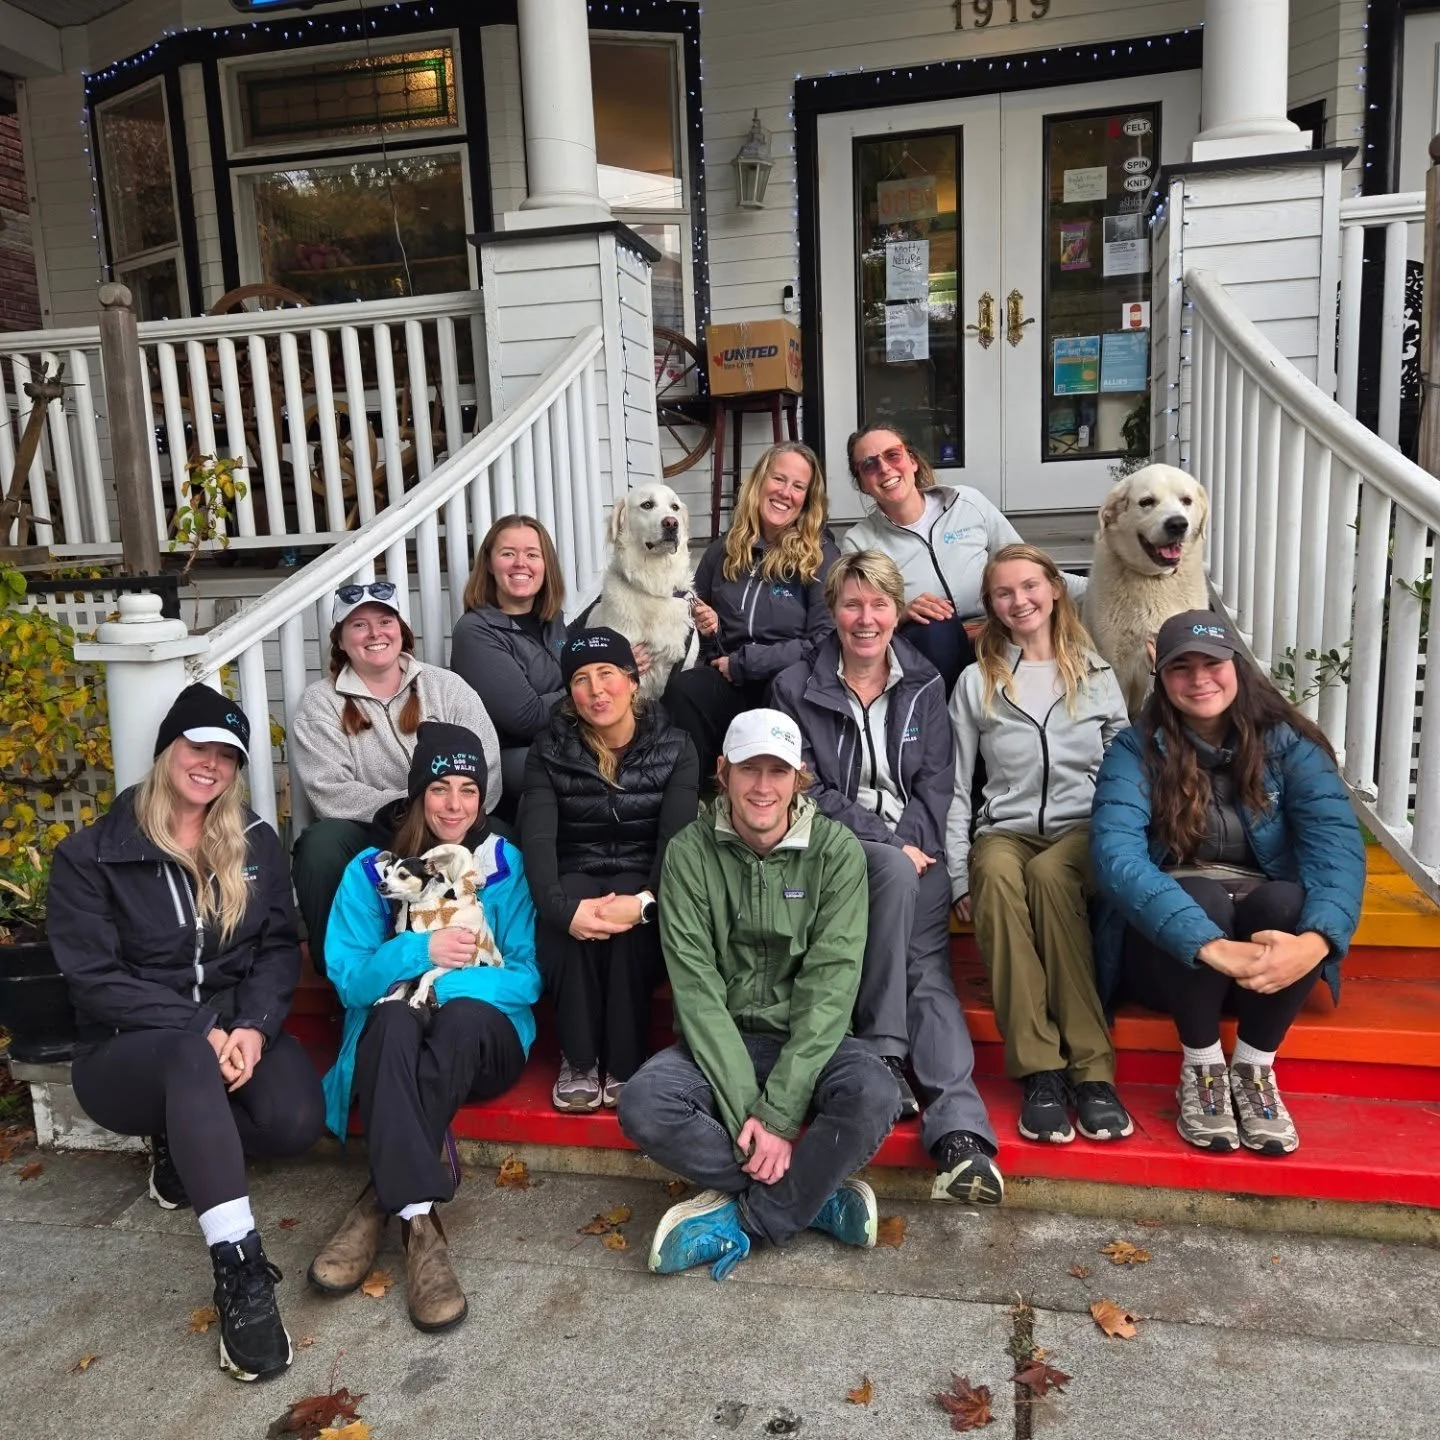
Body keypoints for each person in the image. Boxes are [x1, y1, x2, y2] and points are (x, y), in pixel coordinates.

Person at [47, 685, 324, 1382]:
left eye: (227, 755)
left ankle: (185, 1136)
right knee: (185, 1060)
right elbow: (94, 977)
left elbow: (275, 949)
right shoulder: (92, 855)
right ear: (169, 749)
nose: (211, 765)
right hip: (125, 1048)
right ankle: (240, 1270)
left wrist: (255, 1030)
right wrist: (202, 1027)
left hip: (230, 1029)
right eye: (198, 746)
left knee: (294, 1122)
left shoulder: (255, 841)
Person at [618, 709, 904, 1280]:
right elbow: (697, 993)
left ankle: (752, 1219)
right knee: (643, 1103)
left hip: (810, 1044)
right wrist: (764, 1120)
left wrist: (778, 1112)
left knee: (875, 1092)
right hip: (721, 1041)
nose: (763, 786)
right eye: (750, 769)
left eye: (778, 771)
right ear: (723, 772)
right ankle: (813, 1195)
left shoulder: (837, 852)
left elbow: (830, 991)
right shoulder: (689, 853)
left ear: (799, 776)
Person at [769, 549, 1003, 1204]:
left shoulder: (927, 683)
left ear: (898, 613)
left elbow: (938, 782)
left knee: (927, 971)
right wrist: (887, 843)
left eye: (878, 604)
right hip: (833, 853)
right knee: (906, 918)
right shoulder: (794, 687)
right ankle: (889, 1057)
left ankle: (961, 1134)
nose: (865, 618)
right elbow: (804, 787)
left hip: (916, 853)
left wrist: (912, 845)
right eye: (852, 604)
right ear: (833, 612)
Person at [1090, 610, 1366, 1155]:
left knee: (1288, 899)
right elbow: (1115, 855)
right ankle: (1203, 1069)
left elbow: (1338, 854)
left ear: (1237, 667)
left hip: (1268, 971)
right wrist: (1211, 945)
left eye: (1212, 663)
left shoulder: (1290, 746)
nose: (1199, 680)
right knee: (1199, 895)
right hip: (1172, 961)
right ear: (1161, 678)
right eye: (1180, 668)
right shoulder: (1135, 749)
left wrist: (1311, 947)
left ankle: (1255, 1068)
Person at [308, 722, 540, 1332]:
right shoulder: (372, 870)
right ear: (417, 795)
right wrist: (421, 951)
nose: (455, 804)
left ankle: (373, 1200)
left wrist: (446, 981)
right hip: (396, 1041)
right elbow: (350, 980)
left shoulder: (502, 865)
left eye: (469, 789)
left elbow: (527, 977)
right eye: (440, 788)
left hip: (484, 1042)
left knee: (456, 1017)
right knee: (388, 1018)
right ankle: (418, 1224)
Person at [946, 545, 1132, 1146]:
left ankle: (1092, 1072)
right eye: (1004, 592)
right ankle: (1041, 1071)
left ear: (1055, 588)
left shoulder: (1097, 674)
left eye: (1030, 586)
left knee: (1052, 875)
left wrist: (1123, 843)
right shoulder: (979, 682)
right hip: (1006, 828)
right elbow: (955, 785)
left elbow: (1126, 775)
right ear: (993, 607)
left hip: (1083, 830)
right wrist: (956, 876)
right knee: (996, 875)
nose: (1019, 600)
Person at [520, 628, 699, 1112]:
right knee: (572, 918)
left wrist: (643, 903)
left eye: (607, 674)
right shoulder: (549, 750)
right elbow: (537, 841)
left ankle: (625, 1061)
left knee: (629, 926)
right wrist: (564, 912)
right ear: (569, 693)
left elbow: (676, 845)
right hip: (575, 871)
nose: (596, 690)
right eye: (581, 679)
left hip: (648, 879)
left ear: (632, 681)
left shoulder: (676, 746)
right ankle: (578, 1060)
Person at [291, 582, 501, 975]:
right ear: (340, 640)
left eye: (385, 621)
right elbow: (329, 791)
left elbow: (486, 765)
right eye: (358, 625)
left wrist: (442, 808)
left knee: (506, 836)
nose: (374, 634)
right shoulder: (322, 702)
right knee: (319, 846)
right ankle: (338, 971)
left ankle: (497, 959)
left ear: (401, 630)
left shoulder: (446, 687)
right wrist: (411, 808)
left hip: (453, 819)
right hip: (375, 829)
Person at [842, 424, 1085, 692]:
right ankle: (941, 725)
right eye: (869, 464)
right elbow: (859, 618)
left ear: (912, 460)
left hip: (999, 632)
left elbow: (1027, 570)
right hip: (930, 650)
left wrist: (1105, 589)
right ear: (863, 484)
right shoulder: (860, 541)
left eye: (893, 455)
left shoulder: (967, 503)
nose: (884, 468)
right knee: (934, 624)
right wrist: (902, 613)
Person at [665, 442, 840, 781]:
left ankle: (776, 797)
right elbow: (687, 607)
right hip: (727, 675)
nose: (785, 493)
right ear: (760, 481)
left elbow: (825, 641)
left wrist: (747, 663)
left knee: (786, 685)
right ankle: (699, 793)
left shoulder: (822, 557)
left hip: (786, 679)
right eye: (779, 479)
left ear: (808, 498)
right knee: (686, 689)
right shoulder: (724, 549)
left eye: (798, 486)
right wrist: (708, 628)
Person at [450, 516, 568, 820]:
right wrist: (585, 687)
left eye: (532, 554)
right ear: (489, 564)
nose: (520, 563)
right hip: (505, 758)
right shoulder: (475, 630)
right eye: (507, 554)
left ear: (546, 565)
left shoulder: (553, 621)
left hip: (561, 739)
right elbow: (527, 718)